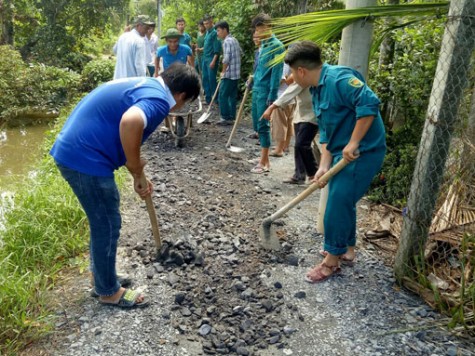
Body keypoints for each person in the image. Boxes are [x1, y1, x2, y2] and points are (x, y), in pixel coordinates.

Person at [50, 63, 200, 308]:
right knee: (107, 222)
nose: (181, 107)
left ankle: (102, 278)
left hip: (76, 151)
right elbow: (130, 122)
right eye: (185, 102)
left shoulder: (149, 85)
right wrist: (135, 167)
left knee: (102, 221)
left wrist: (138, 173)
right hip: (85, 159)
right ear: (182, 95)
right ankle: (108, 292)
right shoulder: (159, 100)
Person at [284, 41, 386, 283]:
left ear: (301, 71)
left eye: (291, 72)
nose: (290, 77)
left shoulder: (338, 80)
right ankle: (347, 250)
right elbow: (328, 133)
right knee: (343, 199)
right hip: (341, 152)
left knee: (337, 203)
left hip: (364, 151)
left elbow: (370, 103)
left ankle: (331, 262)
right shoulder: (317, 89)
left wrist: (353, 142)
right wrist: (323, 166)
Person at [263, 79, 319, 185]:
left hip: (312, 115)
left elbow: (287, 94)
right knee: (299, 147)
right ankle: (299, 175)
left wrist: (271, 107)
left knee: (301, 145)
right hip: (301, 113)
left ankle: (314, 173)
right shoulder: (301, 77)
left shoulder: (306, 77)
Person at [250, 13, 284, 174]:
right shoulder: (263, 44)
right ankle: (262, 157)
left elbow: (276, 75)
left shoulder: (277, 46)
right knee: (257, 125)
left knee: (263, 125)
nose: (258, 33)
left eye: (260, 29)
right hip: (257, 88)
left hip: (265, 92)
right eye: (257, 29)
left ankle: (265, 162)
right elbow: (260, 69)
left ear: (269, 27)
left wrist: (272, 97)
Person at [216, 21, 242, 125]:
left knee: (222, 95)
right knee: (232, 96)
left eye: (218, 30)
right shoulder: (234, 40)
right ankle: (232, 117)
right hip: (236, 74)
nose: (217, 33)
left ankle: (225, 118)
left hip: (229, 74)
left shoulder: (226, 41)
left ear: (225, 30)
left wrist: (223, 72)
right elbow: (240, 52)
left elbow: (226, 59)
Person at [113, 15, 154, 79]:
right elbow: (140, 66)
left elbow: (115, 50)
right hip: (131, 82)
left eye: (148, 28)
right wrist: (143, 82)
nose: (147, 31)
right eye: (146, 28)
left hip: (118, 80)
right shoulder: (139, 41)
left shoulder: (123, 36)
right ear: (138, 26)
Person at [268, 63, 294, 157]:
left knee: (279, 123)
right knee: (288, 122)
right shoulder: (296, 62)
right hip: (291, 96)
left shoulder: (283, 63)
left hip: (281, 96)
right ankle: (285, 146)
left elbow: (282, 80)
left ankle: (279, 149)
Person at [202, 14, 221, 104]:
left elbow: (217, 50)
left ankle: (216, 99)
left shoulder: (214, 33)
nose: (206, 25)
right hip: (204, 59)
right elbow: (207, 46)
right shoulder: (207, 32)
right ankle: (208, 99)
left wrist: (213, 61)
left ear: (211, 22)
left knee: (212, 79)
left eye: (207, 23)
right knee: (205, 79)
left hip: (211, 59)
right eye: (204, 24)